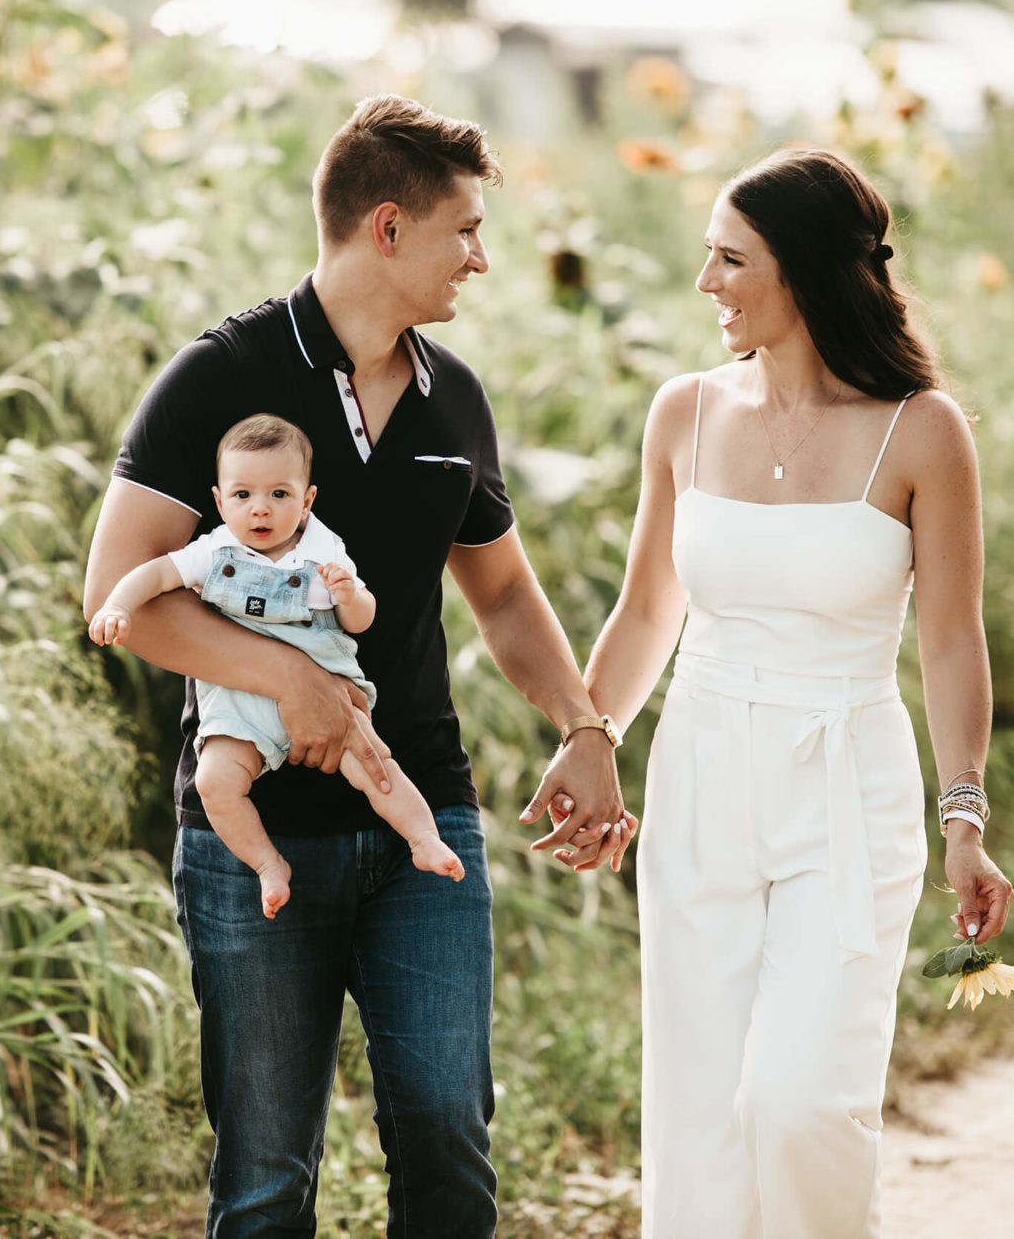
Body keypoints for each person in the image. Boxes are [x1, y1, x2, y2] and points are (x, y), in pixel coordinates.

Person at [83, 93, 632, 1238]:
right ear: (388, 227)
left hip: (422, 814)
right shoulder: (215, 376)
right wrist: (289, 681)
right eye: (465, 231)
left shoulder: (455, 398)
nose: (482, 259)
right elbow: (119, 599)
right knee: (267, 1179)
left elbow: (504, 593)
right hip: (255, 840)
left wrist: (585, 728)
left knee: (446, 1140)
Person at [578, 147, 1014, 1237]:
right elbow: (646, 612)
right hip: (701, 771)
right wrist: (591, 734)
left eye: (730, 258)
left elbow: (952, 641)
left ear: (807, 272)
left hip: (845, 787)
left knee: (798, 1104)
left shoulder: (923, 428)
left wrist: (962, 813)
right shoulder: (681, 411)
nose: (706, 282)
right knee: (702, 1113)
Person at [88, 412, 466, 919]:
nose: (259, 510)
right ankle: (268, 865)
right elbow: (154, 575)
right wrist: (117, 606)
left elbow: (360, 622)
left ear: (307, 500)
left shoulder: (323, 552)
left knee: (376, 767)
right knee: (215, 782)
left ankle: (423, 839)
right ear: (220, 501)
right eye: (243, 496)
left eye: (279, 496)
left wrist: (350, 595)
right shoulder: (214, 549)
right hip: (240, 695)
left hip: (325, 683)